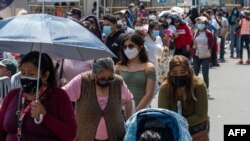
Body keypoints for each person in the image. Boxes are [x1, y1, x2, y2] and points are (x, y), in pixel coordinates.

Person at [0, 51, 77, 141]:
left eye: (31, 74)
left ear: (45, 75)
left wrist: (45, 116)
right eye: (23, 73)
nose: (26, 77)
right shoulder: (12, 95)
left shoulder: (59, 96)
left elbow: (70, 134)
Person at [62, 57, 133, 141]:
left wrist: (129, 123)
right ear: (94, 74)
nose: (106, 81)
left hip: (115, 136)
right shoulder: (82, 81)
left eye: (110, 78)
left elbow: (128, 100)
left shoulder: (118, 82)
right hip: (84, 137)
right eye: (102, 79)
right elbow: (61, 96)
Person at [158, 55, 209, 138]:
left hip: (196, 128)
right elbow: (163, 115)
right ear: (170, 73)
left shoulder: (199, 86)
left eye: (182, 72)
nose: (179, 75)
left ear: (188, 72)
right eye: (175, 73)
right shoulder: (165, 88)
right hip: (173, 129)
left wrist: (179, 122)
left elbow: (201, 115)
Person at [116, 33, 156, 112]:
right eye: (125, 47)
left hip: (141, 112)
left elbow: (149, 93)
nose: (127, 49)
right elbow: (115, 91)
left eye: (131, 46)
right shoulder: (118, 67)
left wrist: (135, 111)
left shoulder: (149, 67)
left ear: (140, 47)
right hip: (121, 111)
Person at [192, 16, 214, 91]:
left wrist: (208, 51)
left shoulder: (208, 33)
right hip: (196, 55)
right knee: (195, 73)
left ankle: (206, 88)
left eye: (201, 23)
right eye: (198, 23)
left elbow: (211, 44)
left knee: (205, 73)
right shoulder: (195, 32)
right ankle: (193, 88)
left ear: (205, 24)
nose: (200, 25)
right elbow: (193, 43)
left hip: (205, 55)